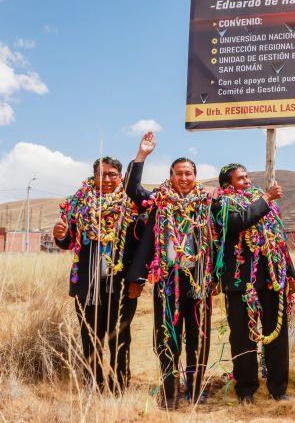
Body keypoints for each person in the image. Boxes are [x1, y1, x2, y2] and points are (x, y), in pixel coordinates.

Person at [124, 132, 215, 409]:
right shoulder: (158, 201)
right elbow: (131, 189)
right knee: (166, 338)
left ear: (195, 176)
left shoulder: (208, 204)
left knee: (198, 338)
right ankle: (170, 393)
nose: (184, 178)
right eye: (179, 173)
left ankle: (196, 392)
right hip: (168, 279)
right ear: (171, 176)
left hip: (199, 280)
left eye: (188, 173)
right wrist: (141, 155)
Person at [53, 156, 142, 393]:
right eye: (101, 174)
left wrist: (138, 279)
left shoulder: (131, 205)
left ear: (120, 177)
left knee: (120, 338)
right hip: (87, 284)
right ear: (94, 176)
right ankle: (93, 384)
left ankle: (118, 386)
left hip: (121, 285)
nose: (107, 179)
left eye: (112, 174)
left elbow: (142, 246)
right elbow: (68, 241)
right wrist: (60, 235)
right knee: (90, 337)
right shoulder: (79, 204)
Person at [212, 163, 295, 404]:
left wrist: (290, 273)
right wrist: (267, 197)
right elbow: (239, 223)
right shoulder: (221, 205)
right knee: (242, 336)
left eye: (247, 177)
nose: (247, 181)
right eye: (241, 179)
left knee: (277, 335)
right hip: (241, 283)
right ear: (228, 184)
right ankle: (246, 390)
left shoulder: (266, 204)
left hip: (272, 280)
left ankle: (278, 388)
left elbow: (279, 240)